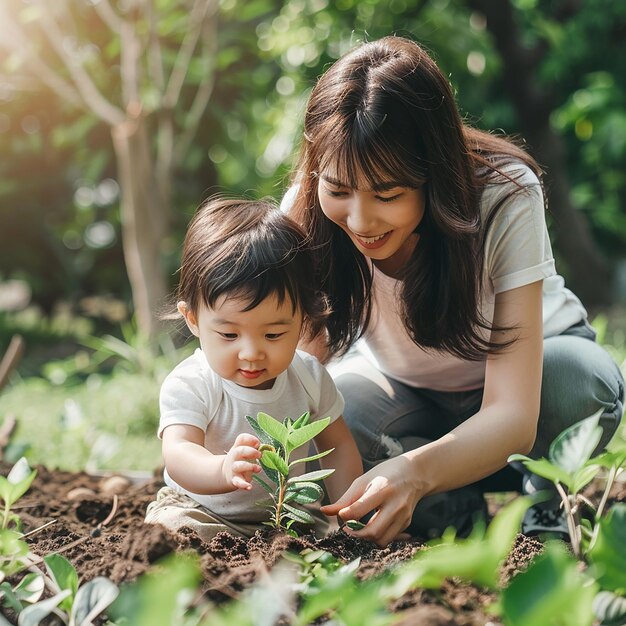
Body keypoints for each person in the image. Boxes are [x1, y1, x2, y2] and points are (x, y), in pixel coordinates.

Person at [283, 35, 625, 547]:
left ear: (433, 173)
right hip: (409, 406)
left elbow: (513, 415)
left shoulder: (504, 194)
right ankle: (452, 513)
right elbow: (295, 377)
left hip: (532, 402)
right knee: (337, 405)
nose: (359, 219)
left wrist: (415, 473)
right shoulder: (306, 211)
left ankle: (547, 507)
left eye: (388, 194)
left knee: (580, 381)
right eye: (338, 190)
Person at [145, 197, 363, 541]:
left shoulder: (309, 376)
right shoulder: (192, 382)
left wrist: (350, 513)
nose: (251, 353)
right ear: (193, 319)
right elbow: (179, 453)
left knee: (325, 541)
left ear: (303, 320)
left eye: (273, 334)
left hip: (289, 519)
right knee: (174, 530)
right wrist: (222, 468)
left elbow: (338, 446)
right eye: (229, 334)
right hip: (204, 511)